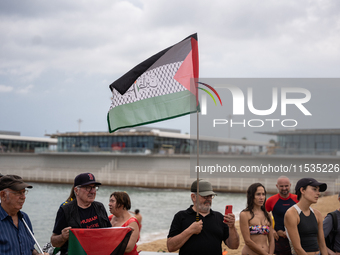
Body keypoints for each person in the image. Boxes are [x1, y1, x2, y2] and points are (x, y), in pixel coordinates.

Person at [167, 179, 239, 255]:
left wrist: (232, 227)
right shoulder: (181, 216)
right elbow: (170, 247)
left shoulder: (219, 217)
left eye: (210, 196)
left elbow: (234, 246)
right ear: (193, 197)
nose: (208, 199)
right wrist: (190, 230)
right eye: (205, 196)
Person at [51, 173, 111, 255]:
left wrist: (125, 232)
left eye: (94, 187)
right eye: (88, 188)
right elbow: (54, 241)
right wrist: (62, 237)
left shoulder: (100, 207)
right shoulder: (65, 210)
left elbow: (109, 233)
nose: (93, 191)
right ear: (76, 190)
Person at [0, 174, 48, 255]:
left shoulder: (24, 218)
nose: (23, 197)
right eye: (18, 193)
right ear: (3, 195)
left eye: (24, 192)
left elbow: (30, 248)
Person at [284, 178, 328, 255]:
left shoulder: (317, 214)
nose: (318, 193)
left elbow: (322, 244)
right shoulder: (292, 213)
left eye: (318, 190)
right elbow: (297, 248)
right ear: (302, 190)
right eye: (314, 189)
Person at [265, 176, 298, 255]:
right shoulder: (271, 200)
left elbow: (303, 217)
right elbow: (263, 217)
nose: (284, 188)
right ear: (277, 186)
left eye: (286, 186)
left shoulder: (297, 199)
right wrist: (271, 230)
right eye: (281, 186)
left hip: (295, 236)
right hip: (278, 238)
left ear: (290, 185)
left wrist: (290, 232)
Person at [240, 183, 275, 255]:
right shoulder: (245, 214)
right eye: (258, 194)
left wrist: (270, 253)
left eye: (263, 194)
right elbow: (247, 241)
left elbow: (271, 240)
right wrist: (264, 254)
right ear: (251, 196)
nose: (261, 197)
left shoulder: (267, 215)